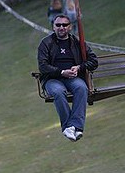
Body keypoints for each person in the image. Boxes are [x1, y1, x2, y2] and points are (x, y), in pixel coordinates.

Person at [37, 14, 98, 142]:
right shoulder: (46, 43)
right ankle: (69, 126)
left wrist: (79, 67)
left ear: (70, 27)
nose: (61, 27)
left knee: (81, 88)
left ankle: (75, 127)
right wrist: (61, 72)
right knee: (58, 92)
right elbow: (43, 66)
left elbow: (93, 61)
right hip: (53, 78)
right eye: (58, 25)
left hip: (73, 78)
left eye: (64, 25)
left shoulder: (77, 43)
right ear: (53, 27)